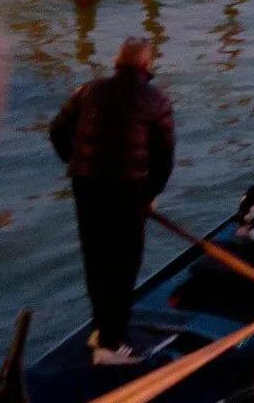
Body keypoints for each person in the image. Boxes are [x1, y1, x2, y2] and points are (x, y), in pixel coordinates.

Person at [49, 37, 175, 365]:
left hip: (86, 185)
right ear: (146, 66)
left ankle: (102, 329)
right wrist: (148, 196)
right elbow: (164, 160)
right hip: (125, 190)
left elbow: (57, 132)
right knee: (123, 263)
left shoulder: (88, 91)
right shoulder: (155, 101)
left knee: (96, 258)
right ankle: (112, 344)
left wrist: (78, 163)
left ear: (117, 63)